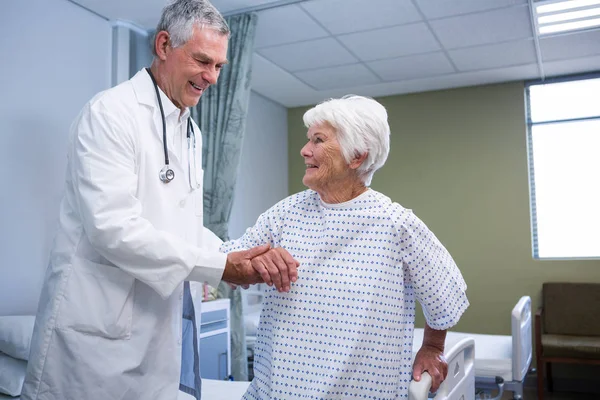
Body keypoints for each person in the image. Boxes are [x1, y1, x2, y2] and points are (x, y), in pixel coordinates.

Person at [20, 1, 298, 399]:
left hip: (155, 333)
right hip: (96, 339)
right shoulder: (110, 114)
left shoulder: (191, 133)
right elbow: (112, 228)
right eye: (203, 61)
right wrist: (220, 266)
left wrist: (239, 256)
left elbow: (180, 225)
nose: (213, 77)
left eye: (219, 66)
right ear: (164, 45)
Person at [221, 95, 469, 399]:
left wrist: (433, 346)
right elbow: (225, 263)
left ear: (356, 157)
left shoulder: (396, 225)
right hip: (277, 390)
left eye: (318, 140)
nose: (304, 150)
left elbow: (445, 295)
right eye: (308, 139)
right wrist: (256, 261)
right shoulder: (284, 215)